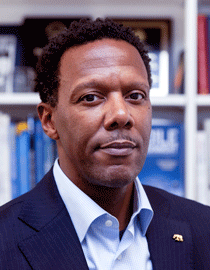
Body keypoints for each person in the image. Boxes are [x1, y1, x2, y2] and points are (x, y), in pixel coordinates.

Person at [0, 18, 210, 270]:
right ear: (49, 120)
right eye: (90, 97)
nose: (121, 115)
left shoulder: (203, 228)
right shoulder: (5, 239)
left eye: (135, 96)